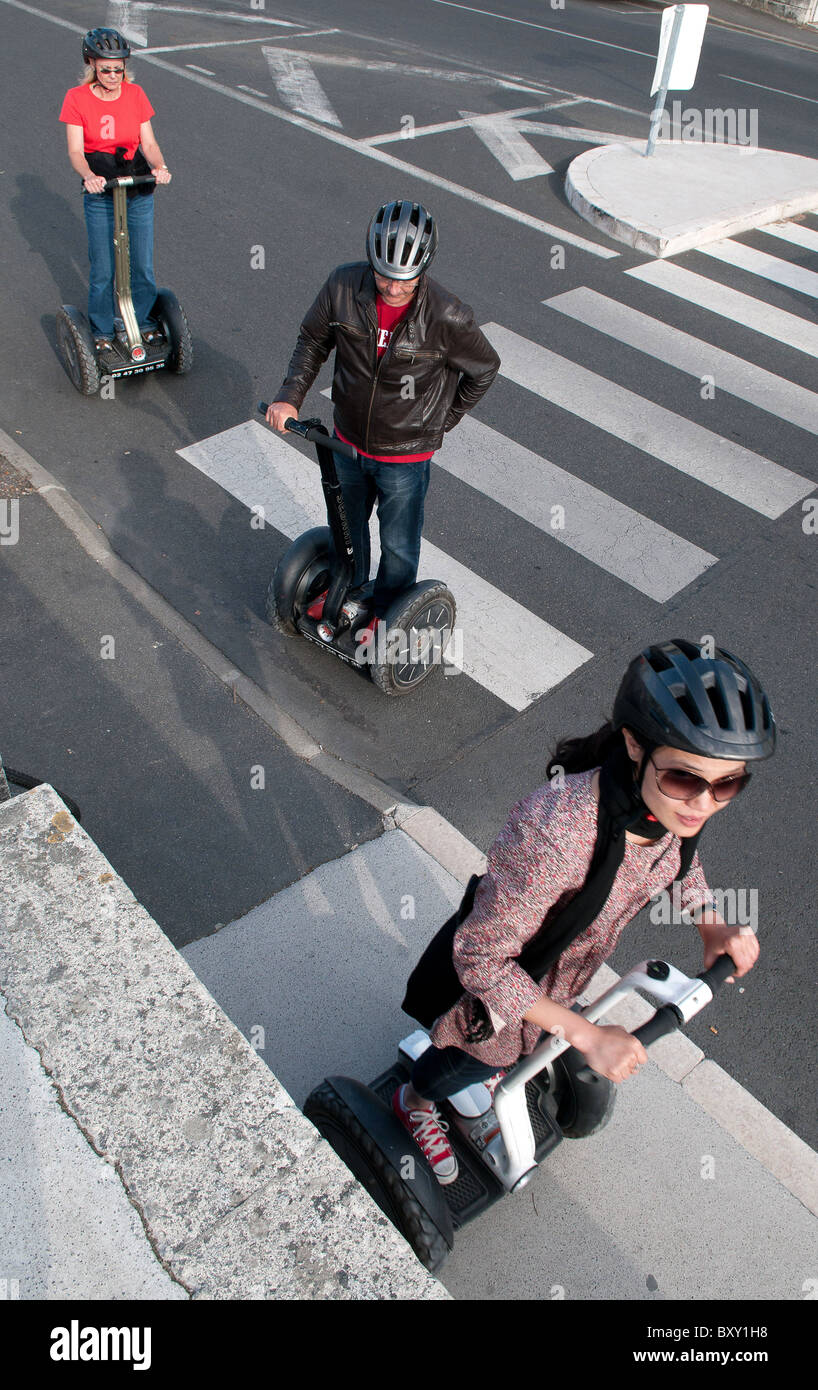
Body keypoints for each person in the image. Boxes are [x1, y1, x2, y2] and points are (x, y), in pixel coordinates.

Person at [395, 638, 776, 1184]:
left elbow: (677, 863)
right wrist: (587, 1035)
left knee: (503, 1061)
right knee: (466, 1064)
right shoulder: (560, 833)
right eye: (686, 779)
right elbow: (480, 961)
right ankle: (413, 1101)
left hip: (560, 980)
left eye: (728, 784)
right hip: (499, 998)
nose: (703, 804)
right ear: (635, 746)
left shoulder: (664, 809)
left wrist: (711, 924)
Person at [265, 199, 500, 632]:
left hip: (404, 457)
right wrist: (289, 396)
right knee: (346, 528)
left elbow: (484, 370)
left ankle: (387, 613)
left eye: (404, 280)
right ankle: (347, 594)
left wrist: (440, 420)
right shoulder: (342, 286)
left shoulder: (448, 315)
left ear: (422, 269)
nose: (392, 287)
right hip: (346, 440)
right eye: (383, 275)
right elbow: (313, 341)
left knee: (398, 545)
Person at [59, 27, 172, 353]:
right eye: (105, 68)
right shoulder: (76, 98)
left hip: (136, 184)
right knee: (104, 269)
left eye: (118, 68)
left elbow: (148, 143)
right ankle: (103, 330)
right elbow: (76, 152)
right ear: (91, 63)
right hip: (100, 188)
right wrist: (88, 176)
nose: (112, 75)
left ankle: (143, 323)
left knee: (142, 265)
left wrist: (159, 167)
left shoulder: (135, 94)